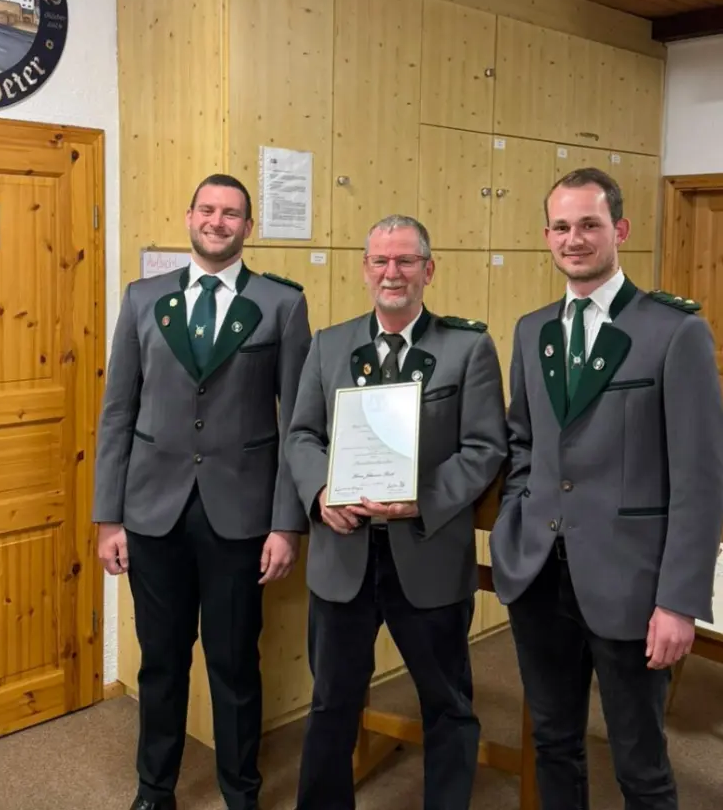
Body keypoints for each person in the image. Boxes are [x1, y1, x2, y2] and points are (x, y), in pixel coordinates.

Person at [491, 167, 723, 810]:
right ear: (547, 235)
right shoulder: (532, 330)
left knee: (639, 765)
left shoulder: (673, 331)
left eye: (589, 224)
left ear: (619, 230)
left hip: (631, 582)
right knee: (553, 744)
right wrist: (515, 519)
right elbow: (524, 443)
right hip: (539, 575)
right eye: (561, 226)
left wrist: (678, 601)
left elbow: (701, 480)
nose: (575, 239)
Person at [93, 173, 310, 810]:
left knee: (234, 663)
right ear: (190, 217)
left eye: (232, 213)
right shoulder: (143, 299)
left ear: (249, 227)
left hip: (240, 517)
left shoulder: (281, 304)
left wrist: (287, 523)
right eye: (208, 210)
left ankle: (242, 793)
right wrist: (108, 518)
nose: (218, 221)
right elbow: (117, 413)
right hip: (151, 513)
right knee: (161, 661)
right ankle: (154, 790)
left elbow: (298, 423)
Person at [283, 214, 506, 810]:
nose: (392, 272)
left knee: (447, 705)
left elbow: (485, 448)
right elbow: (301, 436)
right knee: (332, 703)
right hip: (343, 555)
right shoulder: (329, 346)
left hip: (427, 554)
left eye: (406, 260)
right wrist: (320, 492)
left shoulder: (468, 348)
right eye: (380, 260)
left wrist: (422, 499)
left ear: (428, 270)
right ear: (364, 269)